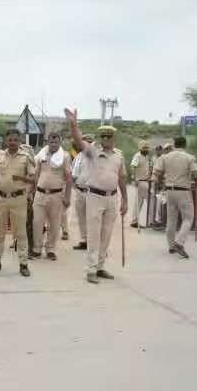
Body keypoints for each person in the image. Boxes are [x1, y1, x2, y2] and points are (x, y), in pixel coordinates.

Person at [67, 108, 127, 284]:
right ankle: (91, 270)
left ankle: (100, 267)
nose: (106, 139)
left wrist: (125, 199)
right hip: (94, 197)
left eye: (109, 136)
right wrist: (73, 125)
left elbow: (122, 178)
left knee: (106, 234)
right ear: (100, 138)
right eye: (103, 136)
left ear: (114, 138)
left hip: (112, 198)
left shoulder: (119, 155)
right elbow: (78, 141)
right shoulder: (92, 151)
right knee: (93, 234)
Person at [0, 129, 35, 276]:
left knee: (20, 233)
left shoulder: (26, 157)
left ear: (19, 141)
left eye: (15, 140)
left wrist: (21, 179)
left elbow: (33, 179)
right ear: (6, 141)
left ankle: (23, 263)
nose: (12, 142)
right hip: (1, 199)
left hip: (18, 199)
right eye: (10, 140)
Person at [153, 136, 197, 259]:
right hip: (183, 191)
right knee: (188, 218)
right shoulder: (189, 158)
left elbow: (157, 173)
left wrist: (161, 182)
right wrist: (196, 181)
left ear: (175, 144)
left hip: (169, 190)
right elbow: (194, 174)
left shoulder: (165, 157)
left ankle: (171, 245)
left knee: (171, 219)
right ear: (185, 145)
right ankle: (179, 242)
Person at [31, 133, 72, 260]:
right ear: (47, 142)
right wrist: (31, 192)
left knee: (54, 224)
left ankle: (50, 249)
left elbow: (69, 178)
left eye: (56, 142)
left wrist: (67, 197)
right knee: (37, 222)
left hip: (56, 195)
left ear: (60, 143)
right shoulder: (41, 155)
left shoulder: (65, 157)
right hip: (40, 193)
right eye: (51, 142)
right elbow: (36, 174)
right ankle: (37, 249)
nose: (53, 144)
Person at [71, 134, 94, 250]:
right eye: (85, 142)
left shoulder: (95, 157)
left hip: (92, 192)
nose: (87, 144)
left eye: (90, 142)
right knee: (81, 217)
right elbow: (73, 173)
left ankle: (93, 241)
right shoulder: (78, 156)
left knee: (92, 218)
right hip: (79, 190)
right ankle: (84, 240)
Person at [130, 141, 152, 228]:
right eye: (144, 148)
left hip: (145, 181)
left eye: (147, 148)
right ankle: (151, 221)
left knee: (139, 201)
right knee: (151, 200)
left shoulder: (146, 157)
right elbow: (133, 166)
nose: (146, 149)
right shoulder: (137, 156)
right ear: (140, 148)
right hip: (141, 181)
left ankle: (134, 221)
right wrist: (133, 178)